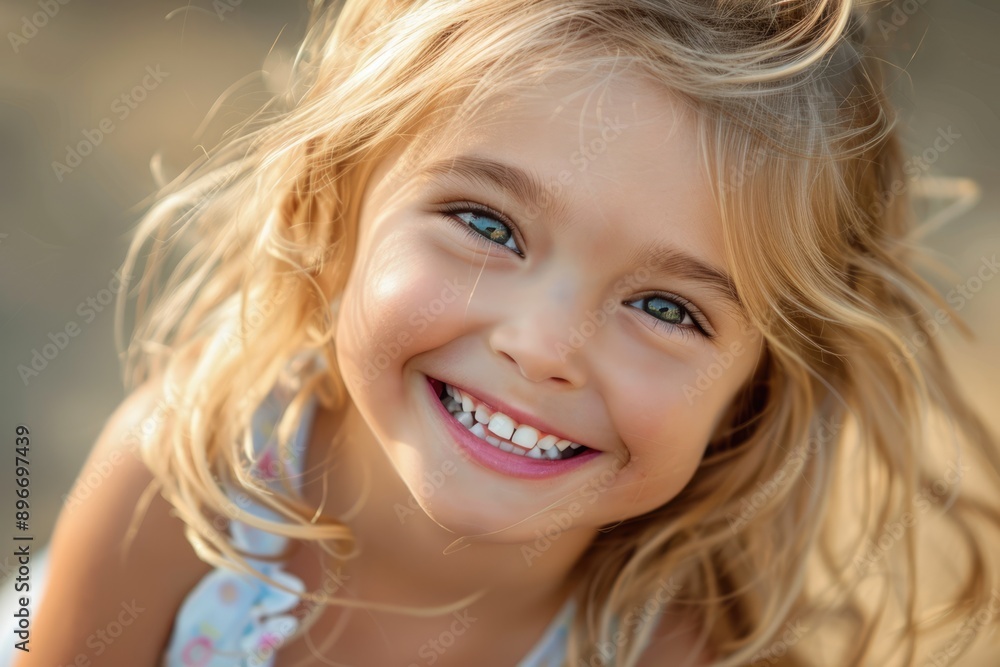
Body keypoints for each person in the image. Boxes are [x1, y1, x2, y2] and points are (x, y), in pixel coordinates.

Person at [21, 0, 1000, 665]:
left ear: (755, 392)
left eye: (667, 308)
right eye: (486, 225)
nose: (543, 346)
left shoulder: (667, 651)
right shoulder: (186, 480)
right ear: (338, 207)